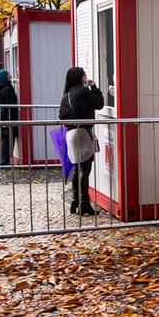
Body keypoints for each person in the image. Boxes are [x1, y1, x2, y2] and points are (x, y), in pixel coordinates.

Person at [58, 67, 104, 215]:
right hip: (83, 132)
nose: (86, 76)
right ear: (80, 77)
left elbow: (61, 116)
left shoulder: (66, 95)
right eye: (84, 74)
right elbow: (99, 104)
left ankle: (75, 200)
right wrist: (94, 87)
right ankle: (85, 203)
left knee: (77, 168)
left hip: (70, 134)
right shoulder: (84, 91)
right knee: (86, 169)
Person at [0, 69, 19, 166]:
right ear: (4, 77)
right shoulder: (8, 88)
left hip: (4, 120)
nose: (11, 76)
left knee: (5, 142)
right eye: (8, 75)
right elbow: (10, 106)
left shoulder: (2, 88)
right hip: (7, 121)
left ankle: (1, 162)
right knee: (7, 143)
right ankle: (3, 163)